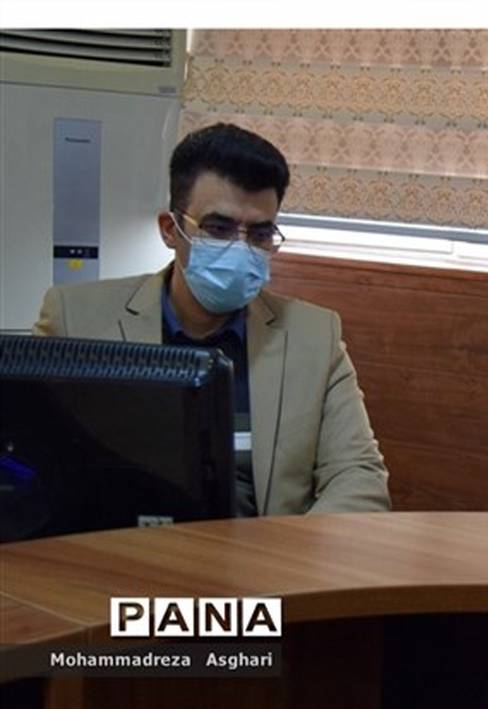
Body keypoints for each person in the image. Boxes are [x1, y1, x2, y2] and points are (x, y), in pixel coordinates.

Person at [33, 123, 390, 517]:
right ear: (170, 230)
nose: (241, 247)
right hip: (124, 549)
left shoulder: (314, 337)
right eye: (218, 229)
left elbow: (359, 476)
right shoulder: (75, 318)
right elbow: (26, 461)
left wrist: (285, 551)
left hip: (262, 551)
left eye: (260, 234)